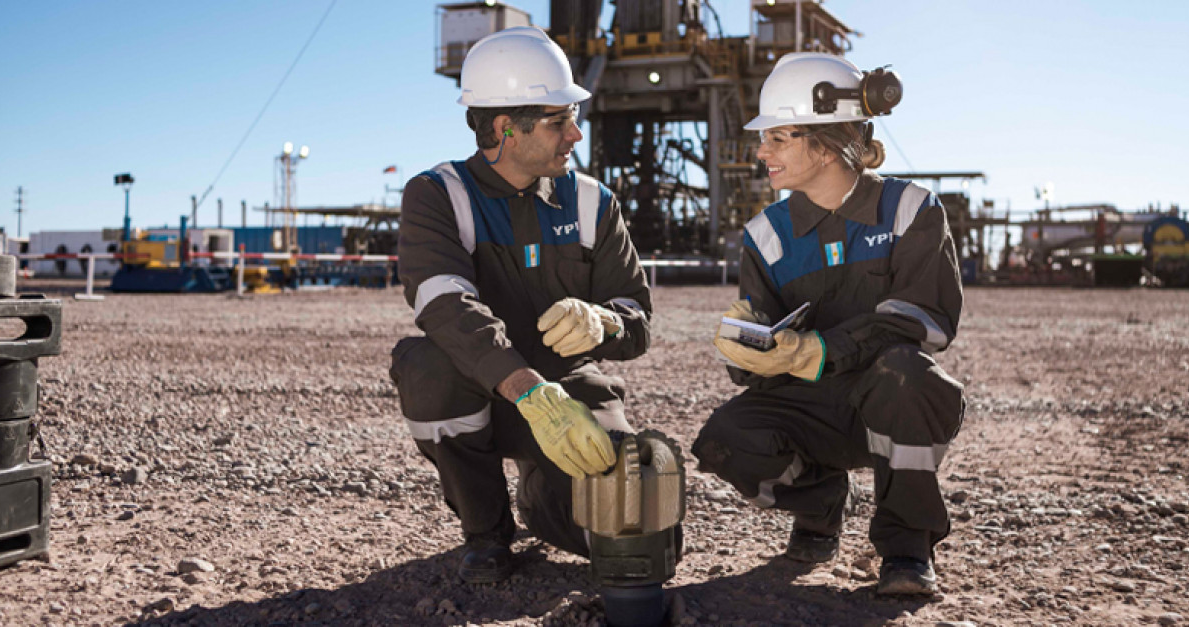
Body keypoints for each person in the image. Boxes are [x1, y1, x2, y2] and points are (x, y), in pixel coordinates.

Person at [691, 53, 965, 596]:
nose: (761, 151)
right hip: (808, 407)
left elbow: (923, 320)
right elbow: (762, 335)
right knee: (722, 441)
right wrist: (746, 353)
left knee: (908, 374)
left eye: (777, 138)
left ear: (827, 142)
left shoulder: (911, 210)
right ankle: (819, 507)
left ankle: (908, 549)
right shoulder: (765, 234)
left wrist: (820, 349)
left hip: (887, 402)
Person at [389, 26, 652, 584]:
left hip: (573, 395)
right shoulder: (438, 195)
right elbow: (445, 307)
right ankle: (485, 534)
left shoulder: (591, 203)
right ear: (507, 129)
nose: (576, 135)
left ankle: (542, 499)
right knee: (426, 366)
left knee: (631, 530)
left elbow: (637, 318)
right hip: (486, 385)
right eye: (560, 121)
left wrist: (606, 321)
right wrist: (530, 392)